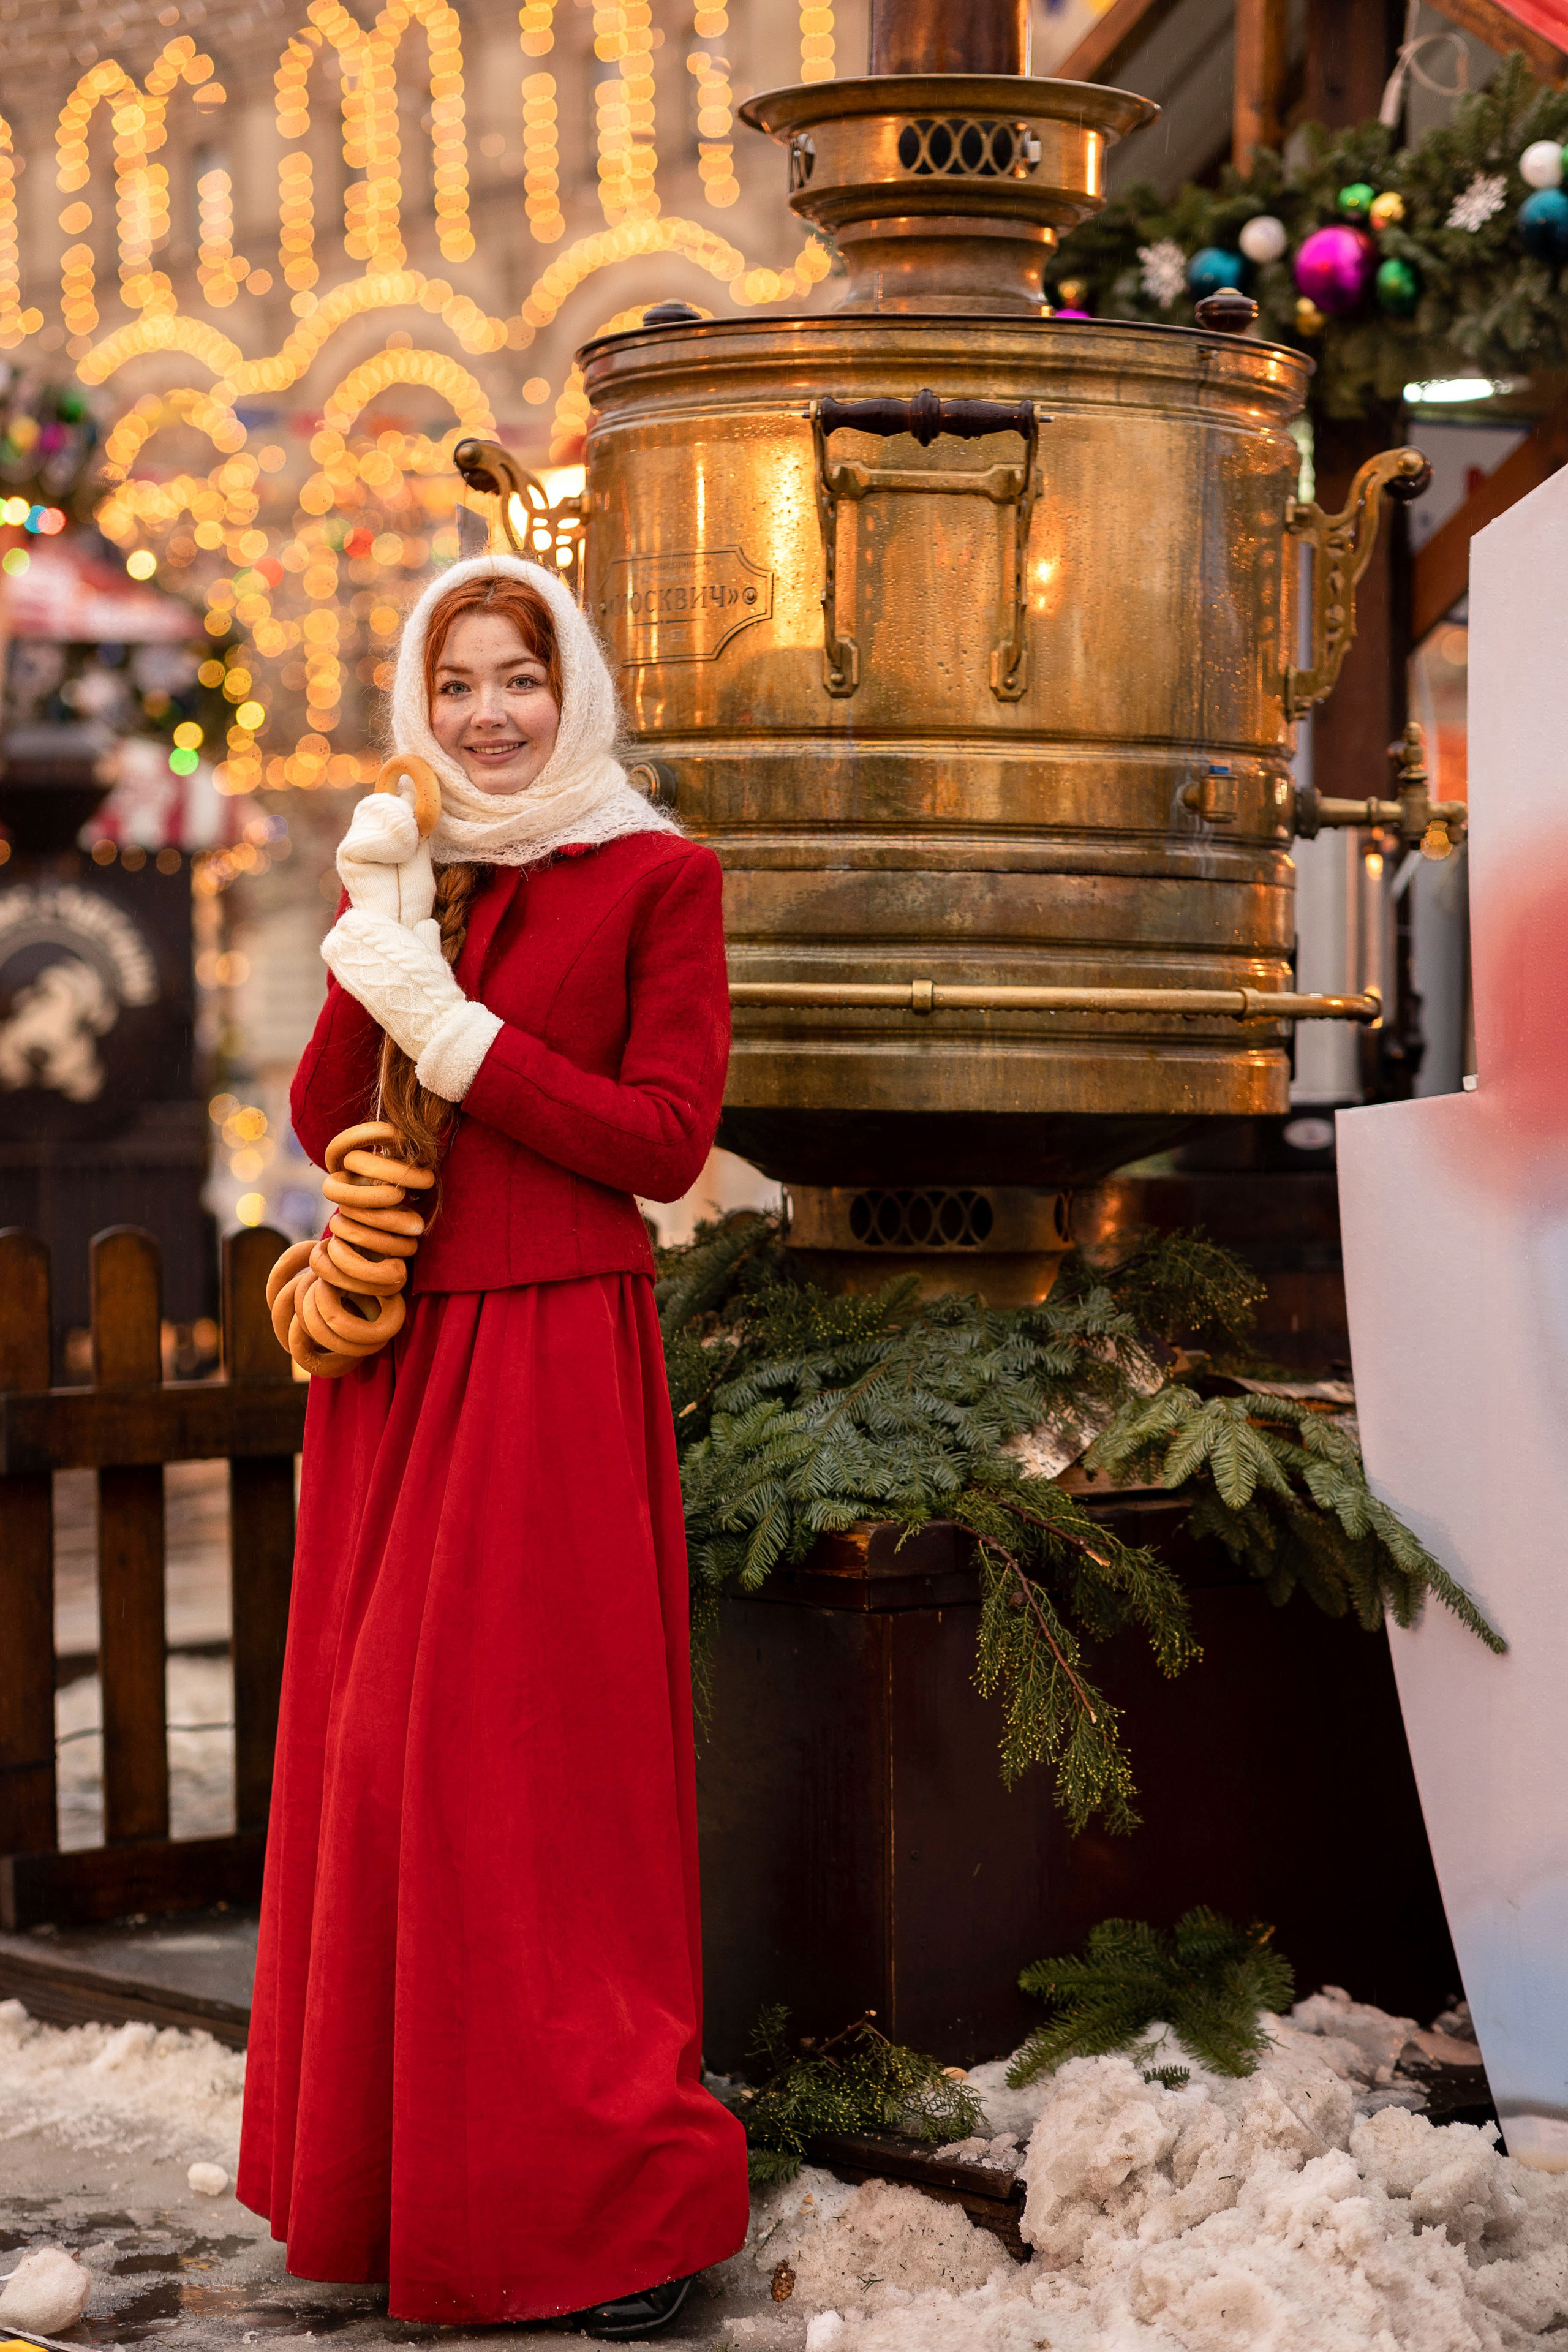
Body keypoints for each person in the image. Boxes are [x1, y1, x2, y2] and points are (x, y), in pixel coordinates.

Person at [236, 552, 749, 2335]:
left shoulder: (659, 877)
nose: (484, 714)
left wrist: (457, 1030)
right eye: (452, 684)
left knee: (526, 1786)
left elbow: (665, 1140)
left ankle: (625, 2211)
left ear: (573, 687)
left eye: (514, 678)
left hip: (546, 1360)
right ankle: (407, 2189)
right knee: (382, 1779)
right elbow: (322, 1113)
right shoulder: (429, 871)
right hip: (392, 1374)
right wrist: (385, 938)